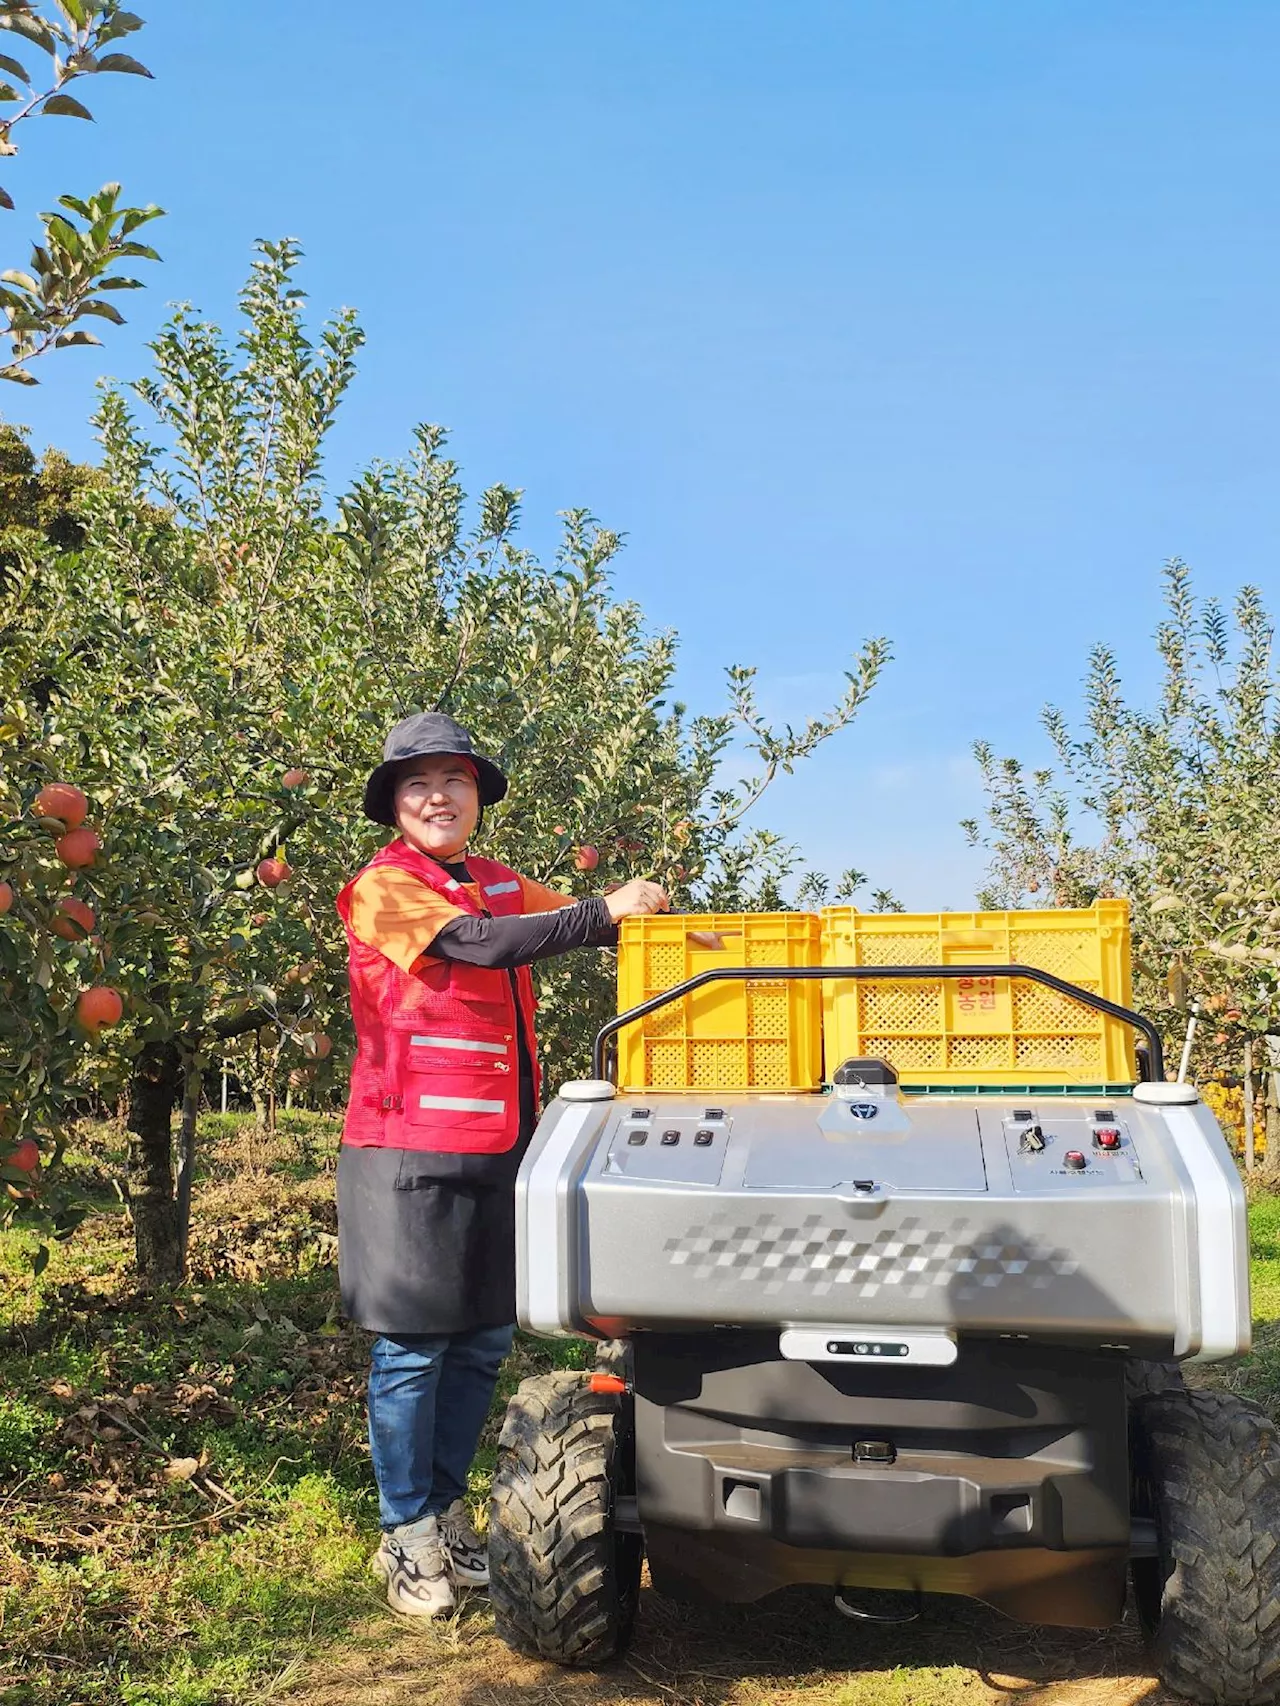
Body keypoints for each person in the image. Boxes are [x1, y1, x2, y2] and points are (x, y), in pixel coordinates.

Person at [335, 711, 668, 1618]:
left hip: (502, 1146)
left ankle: (442, 1515)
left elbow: (567, 923)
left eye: (455, 780)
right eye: (417, 784)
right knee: (412, 1349)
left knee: (481, 1339)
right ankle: (404, 1534)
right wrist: (601, 912)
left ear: (477, 797)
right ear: (394, 805)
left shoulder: (495, 879)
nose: (438, 795)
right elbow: (480, 945)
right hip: (406, 1149)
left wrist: (656, 930)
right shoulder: (383, 886)